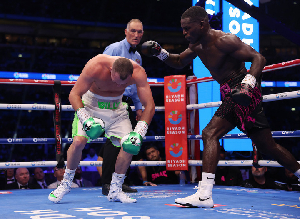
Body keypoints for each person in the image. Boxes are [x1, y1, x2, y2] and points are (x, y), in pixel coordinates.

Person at [141, 6, 300, 208]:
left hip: (242, 89)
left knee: (210, 133)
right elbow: (179, 61)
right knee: (268, 146)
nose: (184, 33)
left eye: (187, 28)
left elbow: (259, 58)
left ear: (202, 24)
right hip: (231, 93)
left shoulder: (225, 40)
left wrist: (247, 85)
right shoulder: (197, 46)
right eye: (183, 29)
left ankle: (204, 194)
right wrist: (160, 53)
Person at [48, 55, 155, 204]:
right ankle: (65, 185)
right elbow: (74, 94)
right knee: (78, 142)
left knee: (130, 145)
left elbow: (149, 105)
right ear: (111, 69)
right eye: (115, 79)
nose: (118, 85)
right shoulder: (96, 65)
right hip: (90, 106)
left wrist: (140, 132)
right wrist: (85, 119)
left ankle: (115, 190)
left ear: (130, 75)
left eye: (123, 83)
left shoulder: (138, 72)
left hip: (117, 109)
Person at [96, 19, 144, 195]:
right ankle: (107, 183)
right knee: (114, 142)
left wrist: (139, 107)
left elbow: (138, 85)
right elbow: (100, 72)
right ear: (126, 32)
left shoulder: (138, 56)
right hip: (111, 100)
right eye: (133, 31)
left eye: (139, 32)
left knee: (128, 143)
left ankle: (120, 181)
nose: (136, 35)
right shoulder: (114, 49)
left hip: (127, 102)